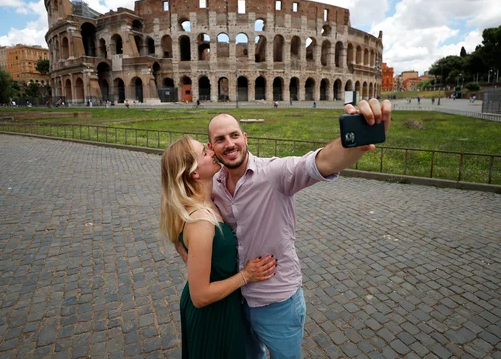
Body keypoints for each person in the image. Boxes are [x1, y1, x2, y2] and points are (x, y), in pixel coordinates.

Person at [178, 99, 391, 358]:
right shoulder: (214, 186)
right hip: (234, 302)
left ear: (245, 137)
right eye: (220, 139)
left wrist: (353, 143)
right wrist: (191, 255)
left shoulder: (274, 173)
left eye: (234, 135)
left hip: (277, 302)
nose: (230, 144)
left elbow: (319, 163)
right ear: (211, 148)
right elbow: (178, 211)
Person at [161, 136, 277, 358]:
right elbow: (200, 295)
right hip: (212, 313)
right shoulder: (201, 221)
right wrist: (246, 276)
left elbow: (175, 233)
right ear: (194, 173)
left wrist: (187, 252)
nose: (212, 152)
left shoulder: (202, 200)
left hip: (224, 305)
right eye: (204, 153)